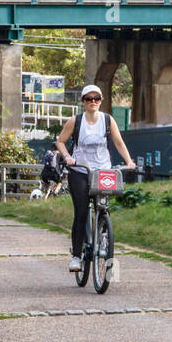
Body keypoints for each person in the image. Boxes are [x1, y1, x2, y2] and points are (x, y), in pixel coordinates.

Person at [54, 84, 136, 273]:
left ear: (101, 101)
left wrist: (129, 161)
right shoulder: (76, 121)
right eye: (89, 99)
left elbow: (118, 142)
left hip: (103, 170)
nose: (93, 102)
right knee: (81, 212)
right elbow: (60, 141)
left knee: (103, 207)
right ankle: (76, 255)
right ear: (83, 101)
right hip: (80, 170)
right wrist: (67, 157)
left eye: (96, 99)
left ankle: (103, 237)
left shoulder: (108, 120)